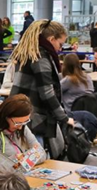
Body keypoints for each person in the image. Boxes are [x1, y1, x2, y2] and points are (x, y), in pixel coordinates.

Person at [9, 19, 74, 148]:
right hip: (34, 118)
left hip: (22, 113)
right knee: (36, 156)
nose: (60, 48)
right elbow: (47, 93)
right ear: (51, 39)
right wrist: (64, 118)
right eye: (60, 44)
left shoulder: (30, 52)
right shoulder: (41, 57)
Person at [0, 94, 45, 170]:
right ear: (6, 117)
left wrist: (22, 158)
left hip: (19, 172)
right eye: (17, 123)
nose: (20, 127)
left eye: (25, 121)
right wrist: (25, 158)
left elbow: (41, 153)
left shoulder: (22, 126)